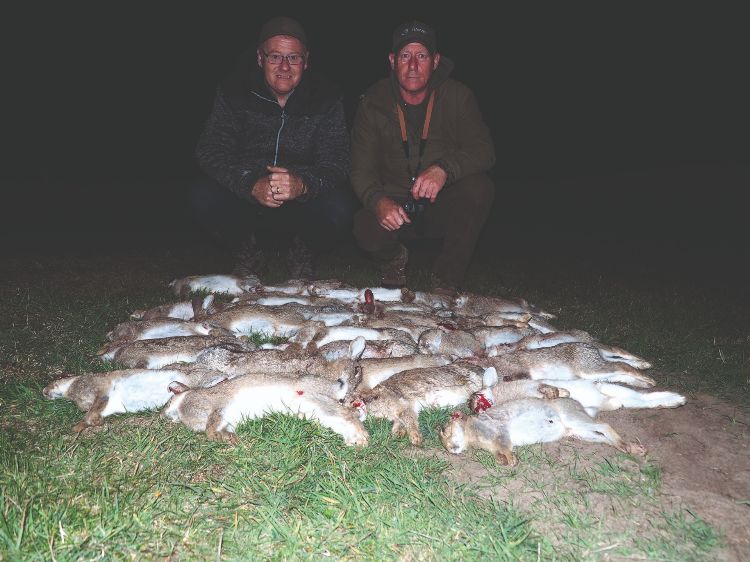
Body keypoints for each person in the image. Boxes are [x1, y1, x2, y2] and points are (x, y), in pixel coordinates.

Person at [192, 16, 355, 280]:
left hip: (302, 209)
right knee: (202, 194)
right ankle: (248, 256)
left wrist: (302, 184)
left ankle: (302, 256)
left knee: (340, 206)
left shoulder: (327, 96)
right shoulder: (234, 91)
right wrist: (250, 184)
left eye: (293, 58)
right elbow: (210, 150)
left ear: (306, 61)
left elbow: (337, 161)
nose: (284, 66)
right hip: (247, 206)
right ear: (260, 58)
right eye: (274, 57)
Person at [351, 20, 496, 296]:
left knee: (480, 188)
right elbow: (360, 168)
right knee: (363, 225)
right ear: (393, 60)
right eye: (405, 56)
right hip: (395, 209)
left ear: (436, 60)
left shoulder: (458, 96)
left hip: (439, 204)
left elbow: (484, 150)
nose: (413, 65)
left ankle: (447, 278)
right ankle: (393, 259)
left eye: (422, 56)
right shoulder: (373, 101)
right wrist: (378, 201)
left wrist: (444, 169)